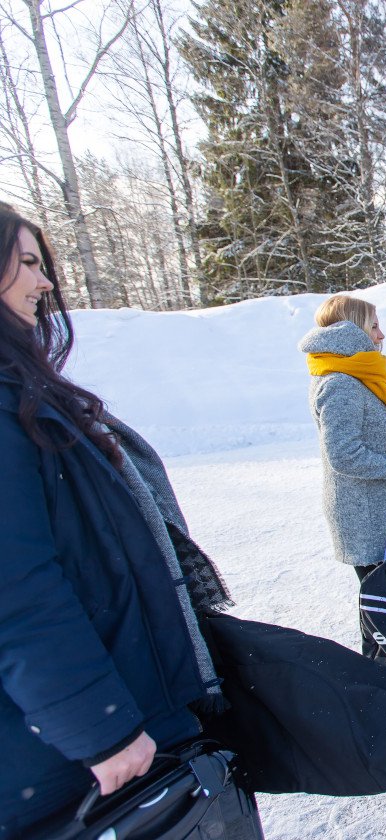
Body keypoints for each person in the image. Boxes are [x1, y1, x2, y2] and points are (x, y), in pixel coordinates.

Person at [0, 206, 236, 835]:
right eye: (26, 262)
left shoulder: (18, 386)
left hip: (101, 711)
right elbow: (17, 592)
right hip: (69, 750)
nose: (46, 281)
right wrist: (102, 732)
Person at [299, 295, 386, 583]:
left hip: (378, 508)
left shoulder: (354, 375)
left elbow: (370, 441)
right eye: (373, 326)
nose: (381, 335)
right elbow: (345, 456)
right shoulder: (340, 384)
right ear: (353, 330)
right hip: (365, 515)